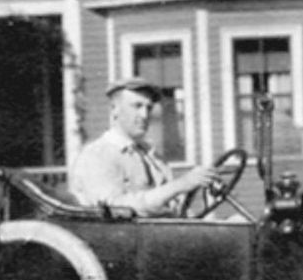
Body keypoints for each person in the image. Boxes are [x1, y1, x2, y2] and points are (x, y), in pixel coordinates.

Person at [68, 77, 222, 217]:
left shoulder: (151, 155)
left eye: (148, 108)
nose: (144, 115)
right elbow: (116, 210)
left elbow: (174, 208)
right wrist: (182, 184)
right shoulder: (97, 156)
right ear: (114, 109)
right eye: (137, 106)